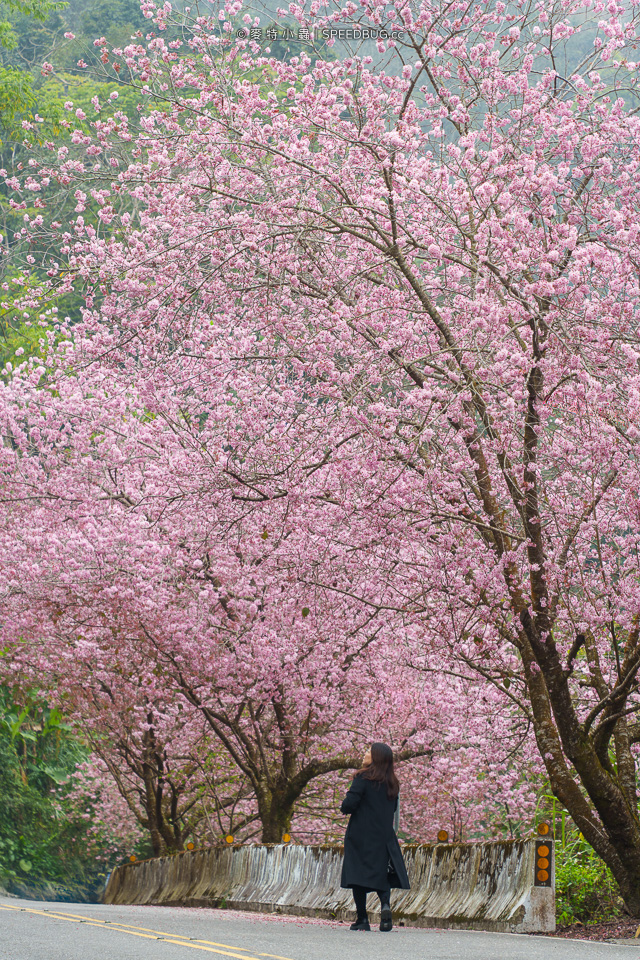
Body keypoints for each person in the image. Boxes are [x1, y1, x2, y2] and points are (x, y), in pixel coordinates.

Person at [340, 742, 410, 932]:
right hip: (384, 835)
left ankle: (362, 918)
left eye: (368, 751)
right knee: (381, 872)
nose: (364, 753)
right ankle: (385, 905)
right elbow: (393, 809)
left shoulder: (362, 777)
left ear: (376, 757)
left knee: (357, 874)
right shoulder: (393, 783)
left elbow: (350, 804)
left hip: (361, 835)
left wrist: (345, 804)